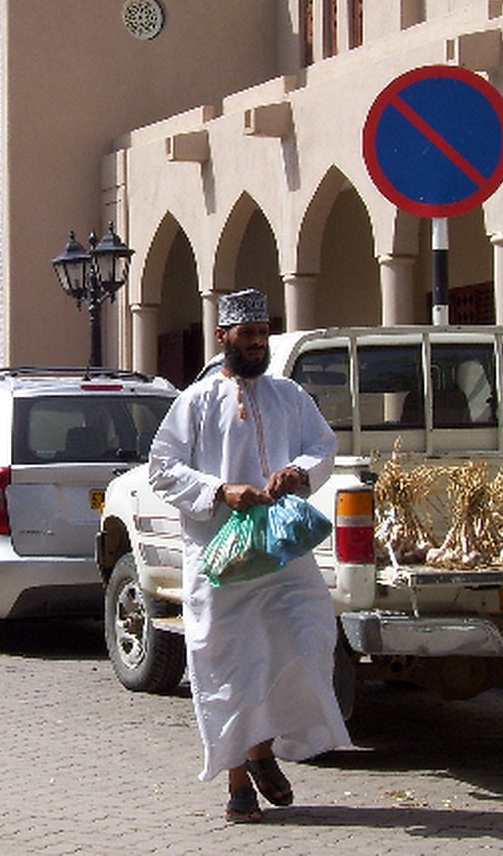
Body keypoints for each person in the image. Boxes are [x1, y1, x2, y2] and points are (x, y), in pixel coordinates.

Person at [146, 288, 351, 823]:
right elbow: (162, 468)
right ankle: (240, 778)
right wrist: (220, 490)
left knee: (306, 640)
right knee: (229, 665)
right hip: (221, 557)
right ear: (224, 338)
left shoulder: (289, 396)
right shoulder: (195, 402)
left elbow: (322, 446)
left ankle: (264, 747)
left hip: (282, 551)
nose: (258, 343)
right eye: (247, 335)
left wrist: (300, 473)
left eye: (263, 334)